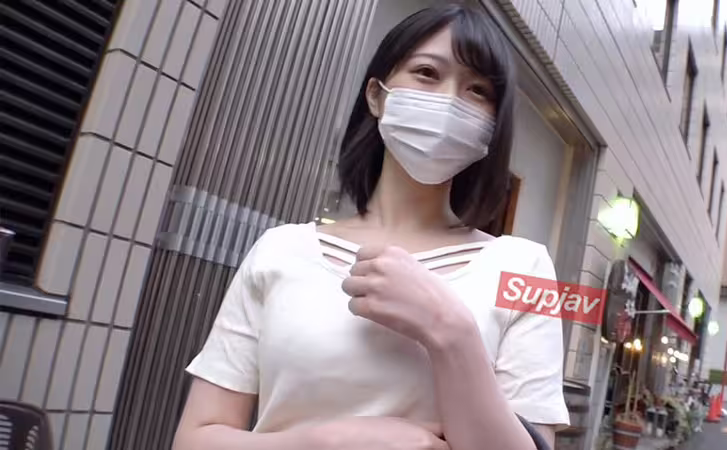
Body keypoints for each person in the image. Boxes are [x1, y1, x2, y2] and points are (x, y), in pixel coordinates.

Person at [172, 4, 570, 450]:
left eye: (477, 90)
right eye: (427, 73)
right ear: (377, 96)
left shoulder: (524, 267)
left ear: (492, 127)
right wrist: (330, 442)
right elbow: (195, 438)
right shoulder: (280, 249)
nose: (449, 101)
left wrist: (451, 332)